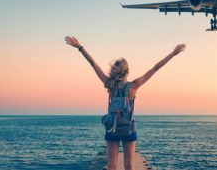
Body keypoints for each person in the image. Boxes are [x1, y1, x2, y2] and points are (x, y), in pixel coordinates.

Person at [65, 36, 186, 170]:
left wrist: (80, 47)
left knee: (111, 166)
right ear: (127, 71)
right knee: (130, 166)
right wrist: (173, 54)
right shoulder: (134, 86)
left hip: (112, 127)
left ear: (114, 71)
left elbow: (93, 64)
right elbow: (156, 68)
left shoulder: (109, 85)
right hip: (128, 128)